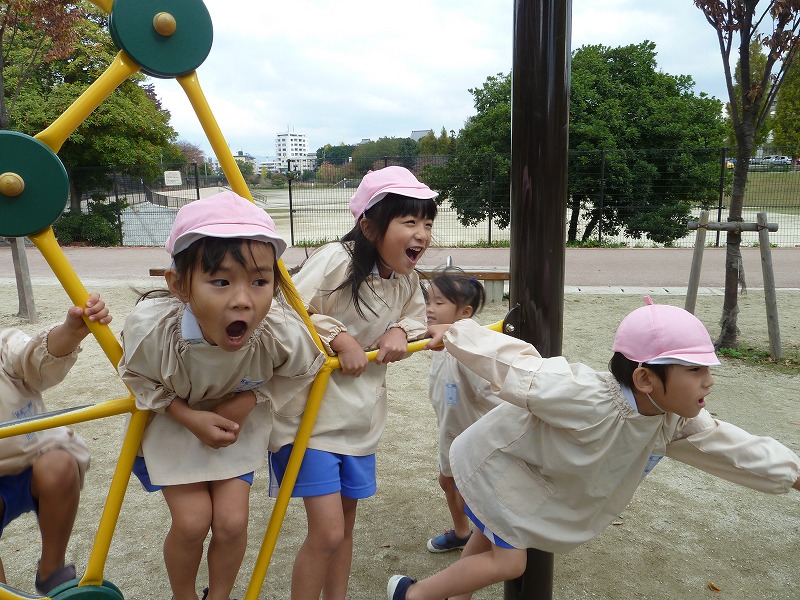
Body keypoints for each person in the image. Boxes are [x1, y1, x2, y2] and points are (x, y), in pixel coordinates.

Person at [388, 297, 800, 600]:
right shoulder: (586, 395)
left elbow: (731, 447)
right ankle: (412, 594)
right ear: (644, 379)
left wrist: (793, 473)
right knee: (509, 560)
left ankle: (456, 594)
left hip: (529, 485)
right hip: (500, 467)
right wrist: (455, 333)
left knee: (487, 538)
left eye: (707, 368)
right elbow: (518, 367)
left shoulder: (675, 421)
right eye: (694, 370)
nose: (708, 380)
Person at [118, 191, 324, 600]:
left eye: (260, 281)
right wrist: (186, 415)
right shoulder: (154, 332)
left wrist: (249, 401)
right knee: (192, 522)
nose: (243, 300)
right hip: (173, 426)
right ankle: (183, 595)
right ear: (180, 285)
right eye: (221, 281)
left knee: (231, 523)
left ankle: (220, 595)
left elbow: (306, 368)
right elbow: (135, 376)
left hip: (235, 428)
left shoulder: (278, 332)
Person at [268, 166, 438, 599]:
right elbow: (284, 309)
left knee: (343, 527)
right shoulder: (336, 259)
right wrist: (336, 336)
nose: (422, 234)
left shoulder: (405, 279)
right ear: (368, 225)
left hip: (359, 420)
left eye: (427, 222)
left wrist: (400, 330)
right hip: (309, 419)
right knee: (326, 531)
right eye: (409, 221)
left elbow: (415, 318)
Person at [0, 293, 111, 595]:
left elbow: (33, 358)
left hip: (31, 460)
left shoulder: (4, 348)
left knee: (60, 465)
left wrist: (70, 332)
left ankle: (51, 569)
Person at [423, 266, 501, 554]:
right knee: (447, 482)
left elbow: (493, 394)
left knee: (468, 489)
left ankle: (485, 540)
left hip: (471, 437)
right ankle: (462, 532)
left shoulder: (469, 351)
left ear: (464, 313)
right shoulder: (444, 340)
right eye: (428, 300)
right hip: (450, 431)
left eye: (439, 302)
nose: (430, 309)